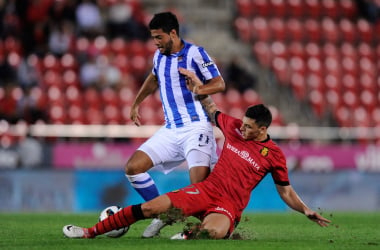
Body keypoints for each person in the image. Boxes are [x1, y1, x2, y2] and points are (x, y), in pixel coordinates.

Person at [62, 68, 331, 240]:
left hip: (229, 204)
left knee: (213, 231)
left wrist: (305, 210)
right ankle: (89, 232)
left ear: (263, 129)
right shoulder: (234, 126)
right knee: (150, 208)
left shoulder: (274, 155)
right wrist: (197, 85)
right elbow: (212, 108)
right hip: (206, 190)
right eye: (243, 124)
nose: (243, 129)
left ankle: (192, 235)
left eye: (249, 128)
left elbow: (285, 191)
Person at [124, 12, 225, 238]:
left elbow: (219, 83)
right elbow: (154, 78)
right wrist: (136, 103)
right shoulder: (158, 56)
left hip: (197, 127)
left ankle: (208, 231)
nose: (156, 42)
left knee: (199, 188)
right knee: (133, 167)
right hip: (171, 129)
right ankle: (163, 214)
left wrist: (199, 89)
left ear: (173, 33)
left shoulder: (195, 54)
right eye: (153, 38)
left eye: (159, 37)